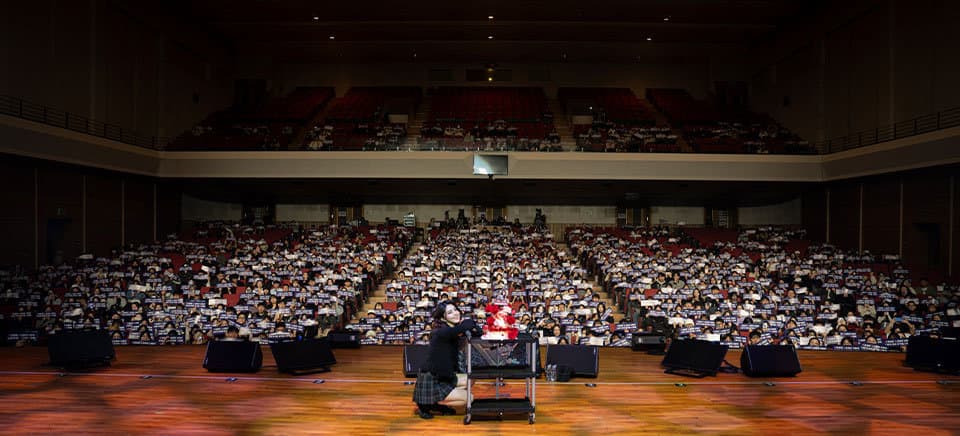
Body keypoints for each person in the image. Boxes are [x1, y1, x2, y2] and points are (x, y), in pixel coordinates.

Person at [412, 301, 481, 419]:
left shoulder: (452, 329)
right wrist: (469, 322)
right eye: (450, 312)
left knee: (471, 377)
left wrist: (471, 326)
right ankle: (426, 404)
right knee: (469, 398)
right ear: (443, 318)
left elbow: (478, 332)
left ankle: (434, 402)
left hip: (444, 375)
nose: (455, 313)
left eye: (455, 310)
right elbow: (468, 324)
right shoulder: (441, 331)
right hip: (432, 378)